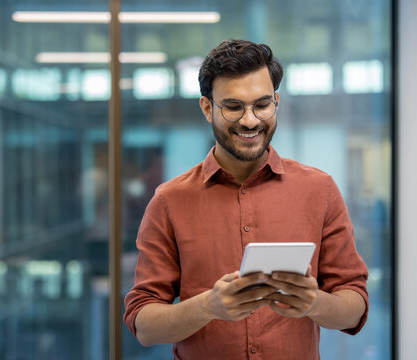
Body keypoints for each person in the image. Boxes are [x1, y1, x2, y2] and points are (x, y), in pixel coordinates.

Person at [123, 39, 368, 360]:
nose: (250, 120)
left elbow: (354, 307)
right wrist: (208, 306)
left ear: (276, 102)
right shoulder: (170, 200)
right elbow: (144, 325)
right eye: (234, 106)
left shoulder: (319, 189)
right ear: (207, 108)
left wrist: (315, 302)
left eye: (262, 104)